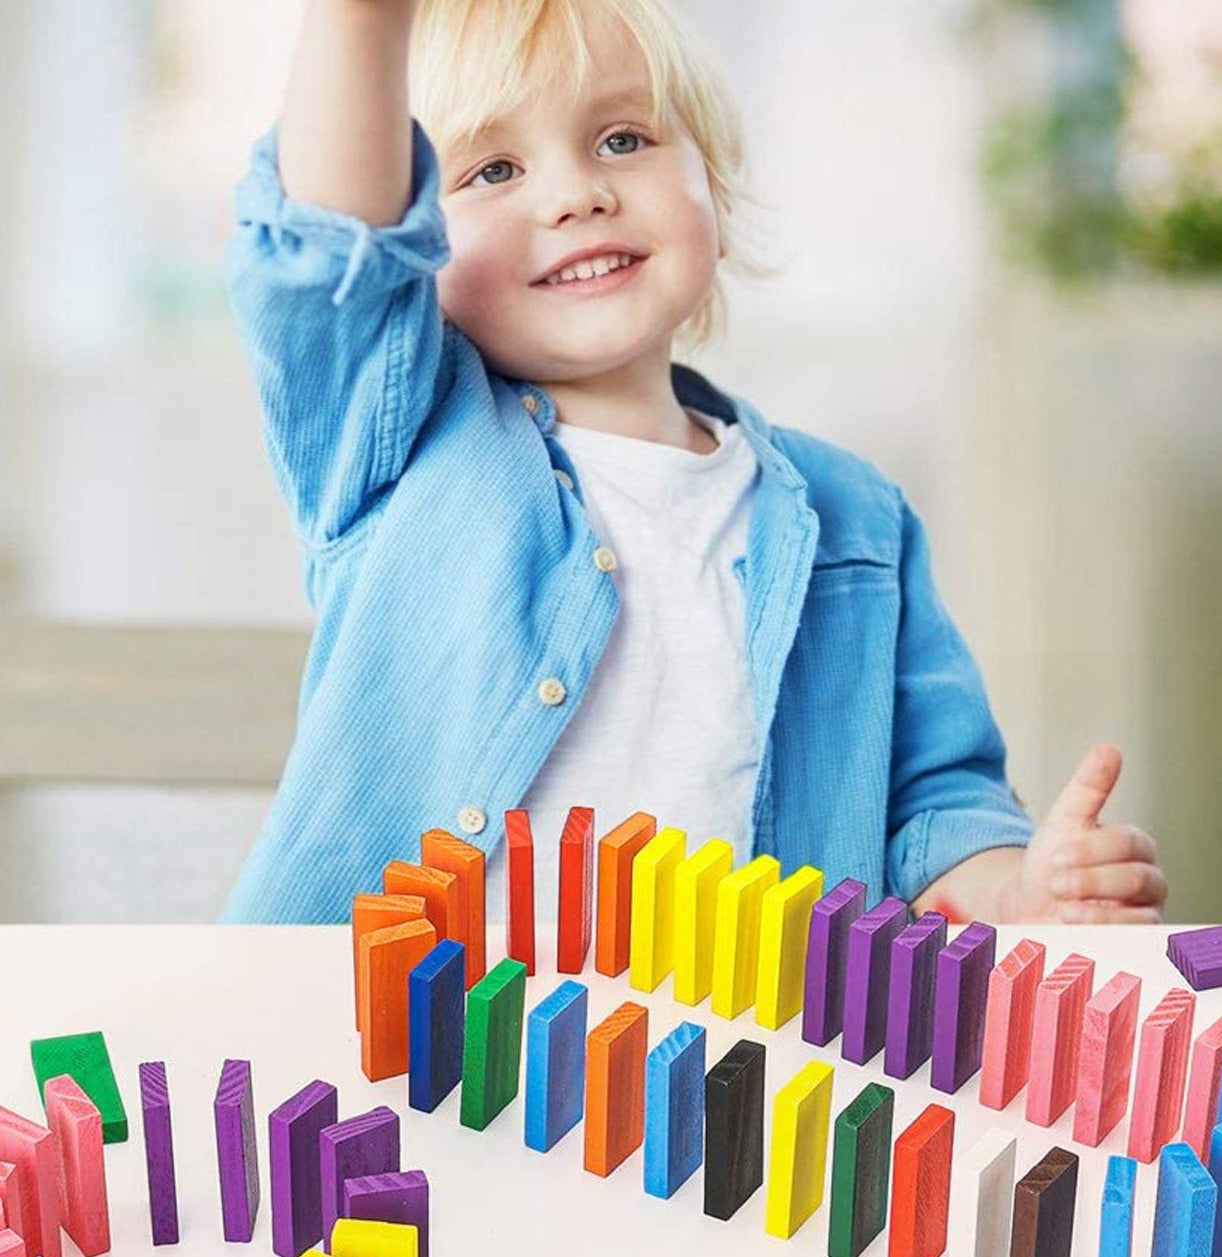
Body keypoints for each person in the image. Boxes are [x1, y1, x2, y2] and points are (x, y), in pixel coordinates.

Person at [222, 0, 1166, 928]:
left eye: (624, 140)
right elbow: (326, 251)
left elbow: (931, 811)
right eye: (494, 169)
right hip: (394, 1070)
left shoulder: (856, 519)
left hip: (729, 1068)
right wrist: (365, 17)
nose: (576, 194)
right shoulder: (401, 445)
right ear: (415, 239)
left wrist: (1026, 893)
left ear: (710, 178)